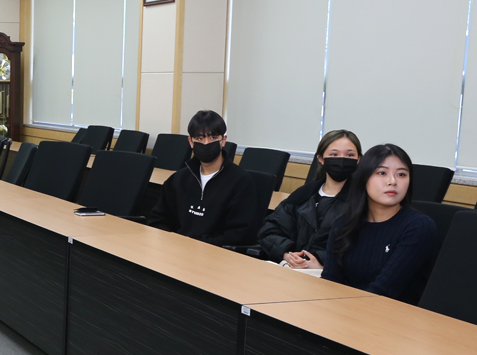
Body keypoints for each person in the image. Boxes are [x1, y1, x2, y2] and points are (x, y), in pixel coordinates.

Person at [322, 144, 437, 304]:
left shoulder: (419, 227)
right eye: (382, 173)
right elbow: (330, 282)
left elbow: (382, 292)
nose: (392, 181)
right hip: (347, 309)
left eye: (401, 174)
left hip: (393, 314)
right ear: (364, 178)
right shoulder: (343, 224)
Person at [148, 110, 257, 246]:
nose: (206, 144)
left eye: (213, 138)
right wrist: (174, 242)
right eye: (200, 139)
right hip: (176, 249)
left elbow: (240, 234)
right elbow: (158, 219)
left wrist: (198, 246)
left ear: (223, 141)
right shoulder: (178, 179)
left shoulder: (241, 182)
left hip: (214, 253)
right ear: (191, 142)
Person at [258, 130, 362, 269]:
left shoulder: (363, 201)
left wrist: (321, 262)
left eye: (349, 155)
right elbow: (269, 230)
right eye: (334, 154)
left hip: (332, 274)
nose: (342, 160)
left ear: (358, 159)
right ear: (321, 159)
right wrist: (287, 254)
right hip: (291, 267)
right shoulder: (302, 195)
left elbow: (363, 247)